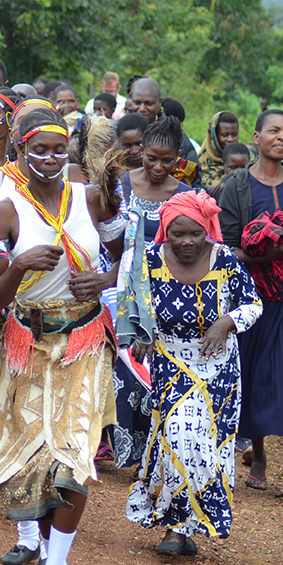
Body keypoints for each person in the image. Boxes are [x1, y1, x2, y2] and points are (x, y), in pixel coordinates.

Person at [0, 104, 121, 565]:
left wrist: (104, 281)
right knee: (38, 458)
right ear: (20, 149)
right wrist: (17, 267)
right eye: (39, 149)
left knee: (74, 455)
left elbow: (130, 261)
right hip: (27, 342)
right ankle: (44, 544)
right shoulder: (6, 208)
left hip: (83, 341)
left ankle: (57, 564)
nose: (51, 157)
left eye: (59, 149)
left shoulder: (92, 198)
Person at [125, 191, 263, 554]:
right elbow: (135, 303)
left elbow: (253, 303)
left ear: (208, 230)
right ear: (166, 232)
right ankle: (176, 527)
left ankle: (183, 527)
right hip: (170, 362)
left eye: (195, 234)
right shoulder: (150, 260)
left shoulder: (226, 259)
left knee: (202, 446)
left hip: (217, 368)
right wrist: (144, 333)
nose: (187, 242)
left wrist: (227, 322)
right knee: (177, 436)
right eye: (178, 234)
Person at [217, 109, 283, 496]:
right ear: (257, 137)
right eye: (274, 131)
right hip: (250, 298)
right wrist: (264, 255)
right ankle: (258, 456)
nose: (282, 138)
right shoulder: (237, 185)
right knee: (253, 374)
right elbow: (226, 245)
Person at [112, 117, 194, 468]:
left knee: (157, 370)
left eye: (167, 161)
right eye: (151, 159)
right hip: (117, 292)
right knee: (123, 371)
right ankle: (121, 448)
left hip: (165, 293)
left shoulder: (185, 195)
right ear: (140, 152)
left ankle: (152, 453)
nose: (158, 167)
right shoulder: (119, 186)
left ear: (179, 158)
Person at [198, 112, 240, 189]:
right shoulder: (200, 164)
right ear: (214, 136)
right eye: (224, 135)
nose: (230, 139)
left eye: (234, 135)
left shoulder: (247, 159)